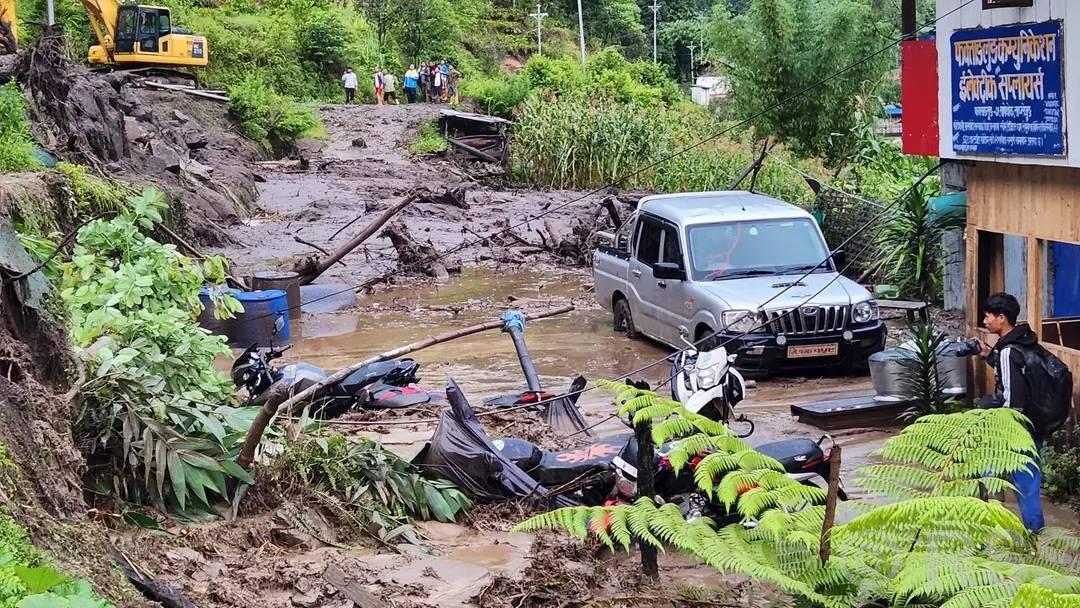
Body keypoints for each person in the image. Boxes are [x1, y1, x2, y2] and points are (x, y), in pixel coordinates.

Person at [976, 292, 1046, 532]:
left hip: (1012, 428)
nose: (985, 322)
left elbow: (1013, 399)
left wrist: (1000, 428)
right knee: (1029, 484)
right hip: (1033, 423)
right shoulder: (1026, 342)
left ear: (1001, 318)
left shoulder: (1007, 352)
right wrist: (989, 357)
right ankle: (1036, 535)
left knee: (988, 472)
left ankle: (990, 527)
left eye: (987, 317)